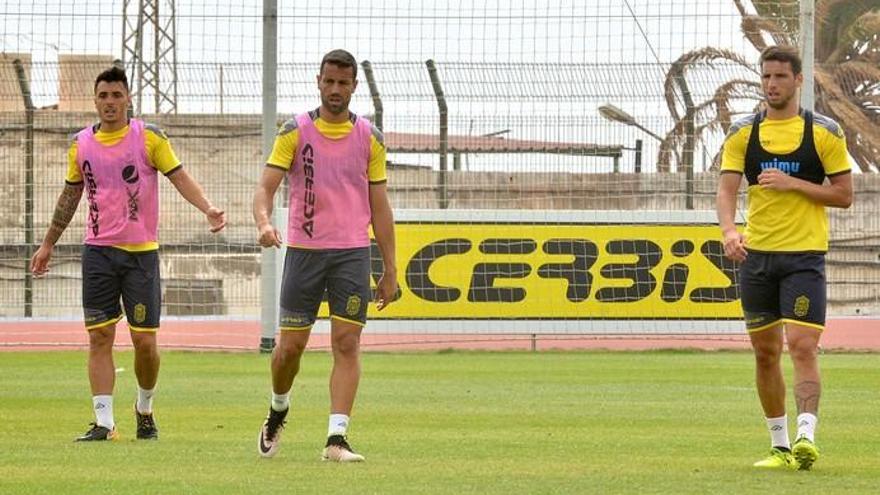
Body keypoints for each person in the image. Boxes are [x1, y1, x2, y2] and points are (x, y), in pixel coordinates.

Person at [30, 66, 226, 442]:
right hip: (98, 254)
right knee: (100, 336)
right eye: (103, 96)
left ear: (128, 98)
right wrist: (48, 242)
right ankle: (104, 422)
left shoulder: (149, 138)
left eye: (116, 95)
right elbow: (70, 195)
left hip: (141, 257)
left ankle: (145, 408)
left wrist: (208, 208)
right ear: (95, 100)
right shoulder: (81, 144)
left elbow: (180, 176)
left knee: (145, 343)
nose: (110, 102)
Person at [253, 49, 397, 462]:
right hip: (304, 252)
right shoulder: (294, 131)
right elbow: (265, 189)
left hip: (351, 253)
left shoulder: (370, 137)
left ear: (354, 86)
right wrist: (264, 222)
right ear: (319, 81)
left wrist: (390, 268)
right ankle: (278, 408)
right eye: (329, 81)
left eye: (344, 83)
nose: (336, 89)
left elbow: (380, 206)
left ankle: (336, 438)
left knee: (347, 343)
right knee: (289, 350)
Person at [716, 45, 853, 471]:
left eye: (779, 76)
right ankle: (779, 446)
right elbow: (726, 190)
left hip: (803, 258)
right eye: (765, 77)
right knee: (764, 353)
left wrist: (794, 183)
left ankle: (806, 437)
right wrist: (728, 232)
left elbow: (844, 195)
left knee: (803, 346)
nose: (771, 84)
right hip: (757, 259)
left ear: (798, 81)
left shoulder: (824, 132)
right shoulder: (743, 132)